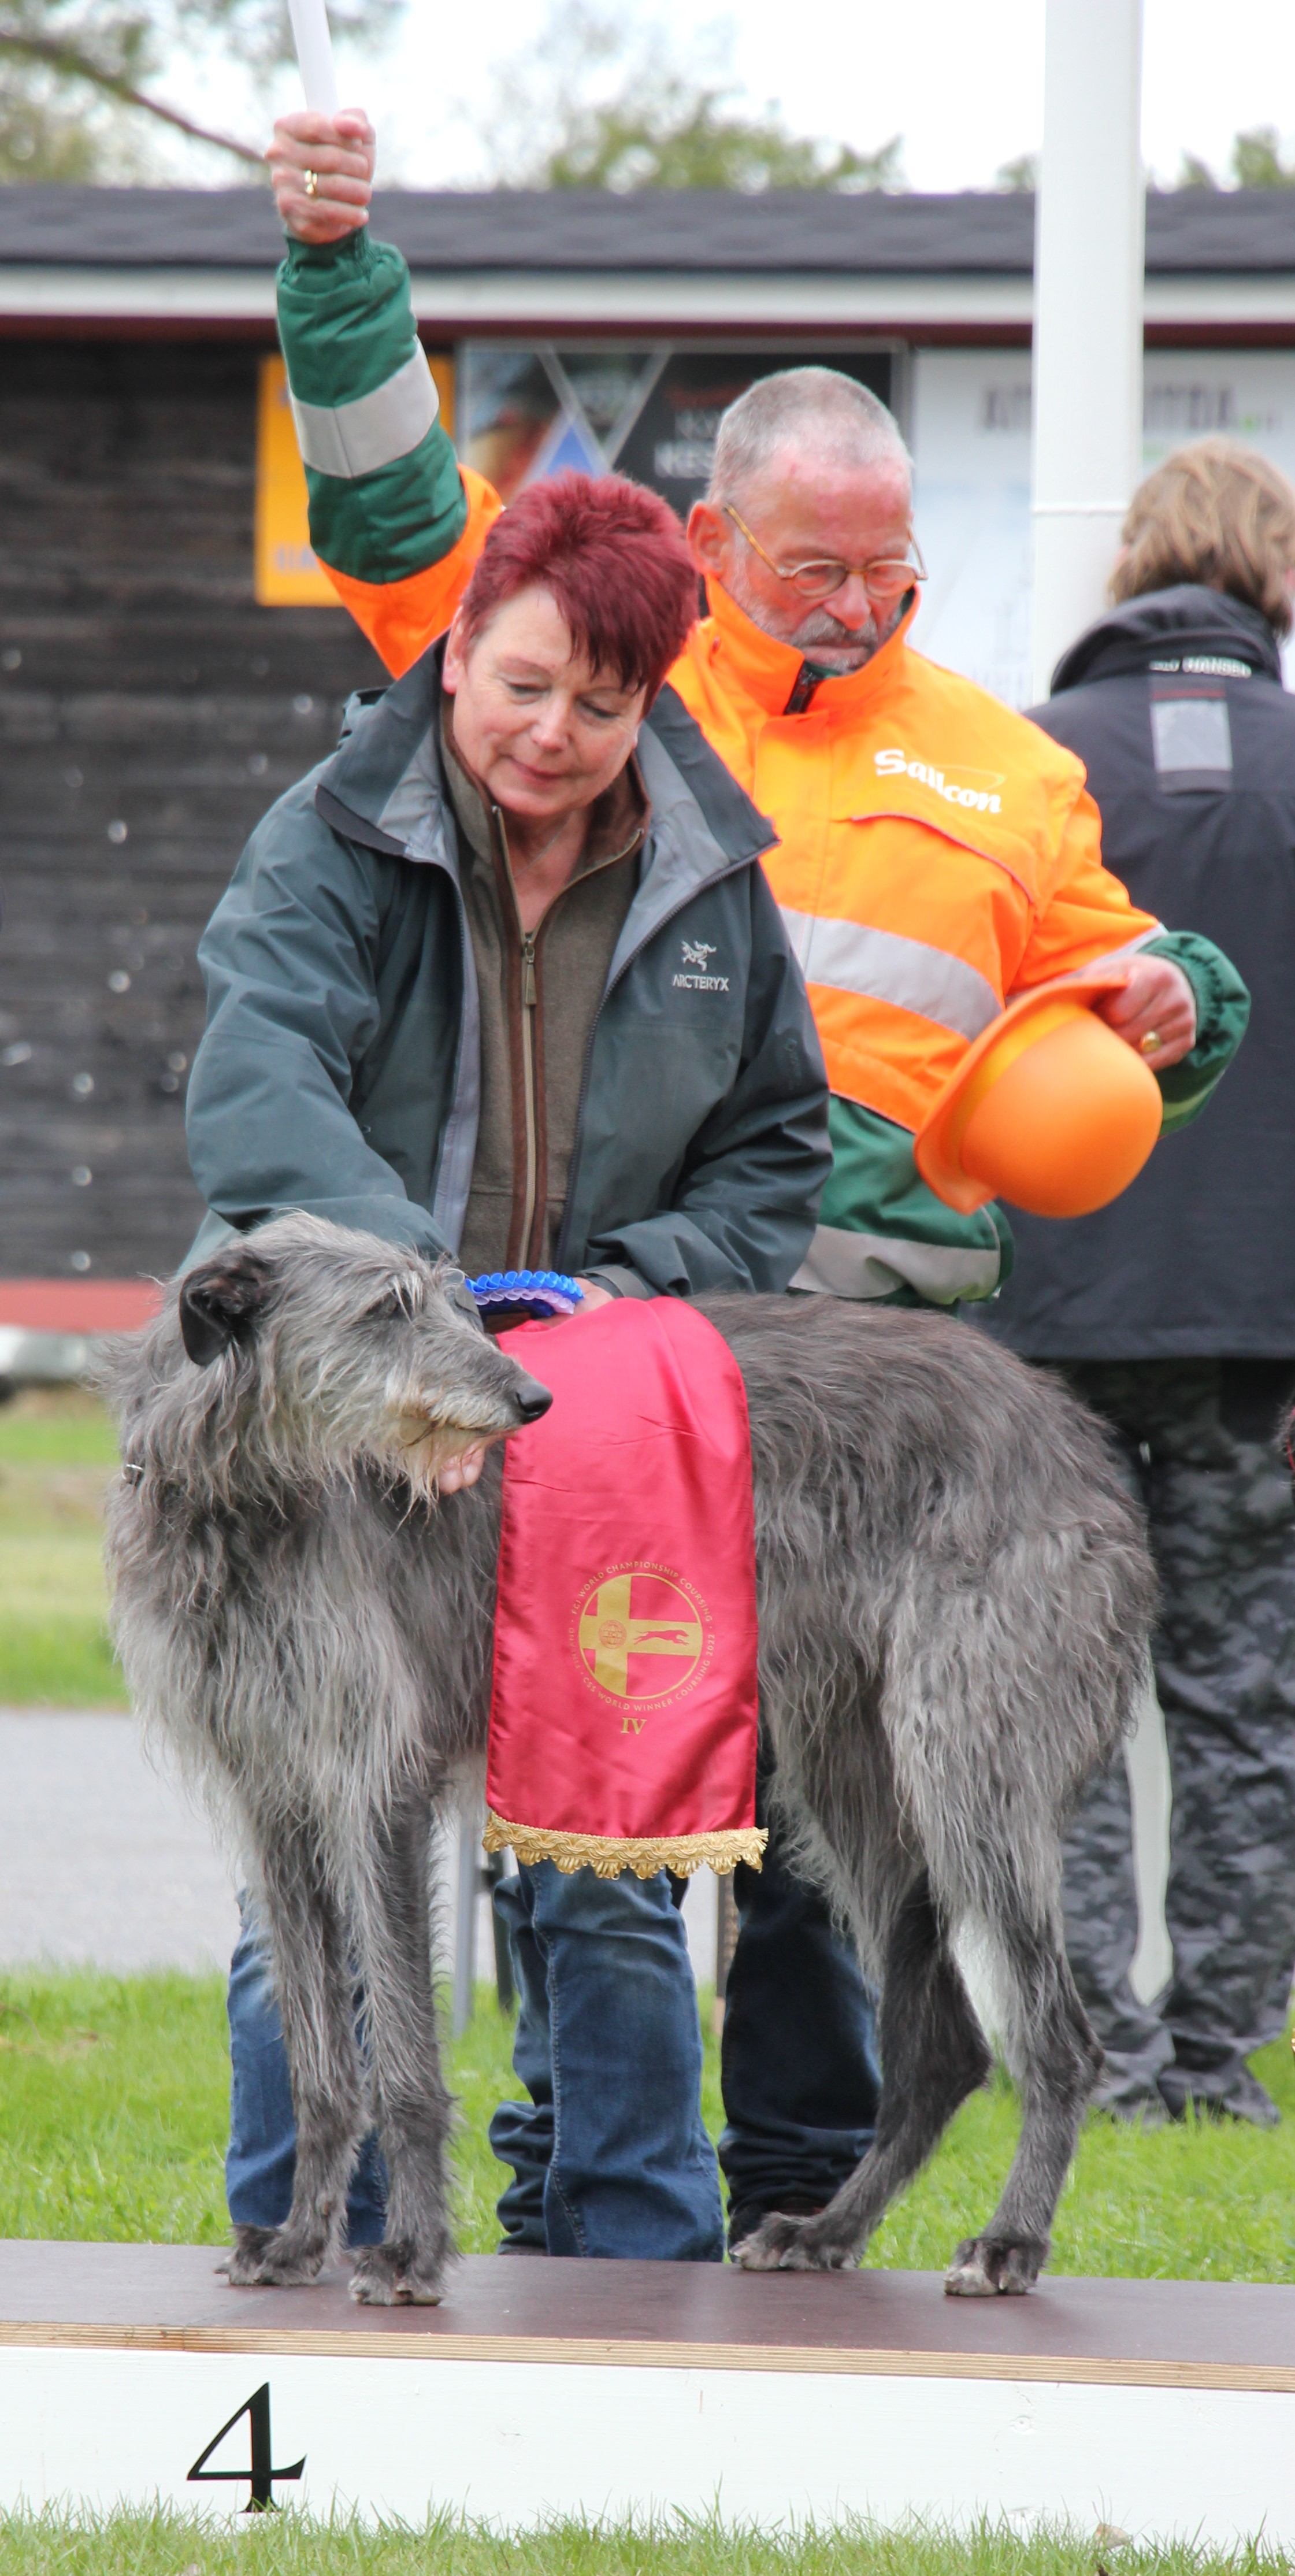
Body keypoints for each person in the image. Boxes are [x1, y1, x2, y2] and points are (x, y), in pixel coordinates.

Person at [261, 109, 1246, 2243]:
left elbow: (1123, 977)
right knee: (582, 1770)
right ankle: (568, 2191)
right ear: (713, 546)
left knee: (826, 1847)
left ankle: (806, 2206)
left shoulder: (1002, 757)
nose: (864, 601)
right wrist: (342, 268)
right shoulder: (608, 677)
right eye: (820, 567)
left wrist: (1182, 994)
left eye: (891, 568)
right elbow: (392, 515)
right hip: (598, 1338)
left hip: (872, 1363)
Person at [188, 462, 833, 2266]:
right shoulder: (329, 831)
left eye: (602, 704)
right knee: (312, 1876)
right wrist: (422, 1320)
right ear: (457, 645)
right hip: (341, 1418)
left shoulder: (711, 877)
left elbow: (779, 1143)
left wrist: (621, 1299)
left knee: (608, 1862)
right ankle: (296, 2249)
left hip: (596, 1411)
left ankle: (632, 2261)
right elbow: (257, 1088)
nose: (551, 734)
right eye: (522, 682)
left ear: (654, 702)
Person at [979, 439, 1295, 2127]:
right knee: (1246, 1692)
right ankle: (1225, 2062)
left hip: (1050, 1322)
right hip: (1267, 1332)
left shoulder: (1029, 767)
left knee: (1068, 1693)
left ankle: (1094, 2053)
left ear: (1133, 571)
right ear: (1274, 578)